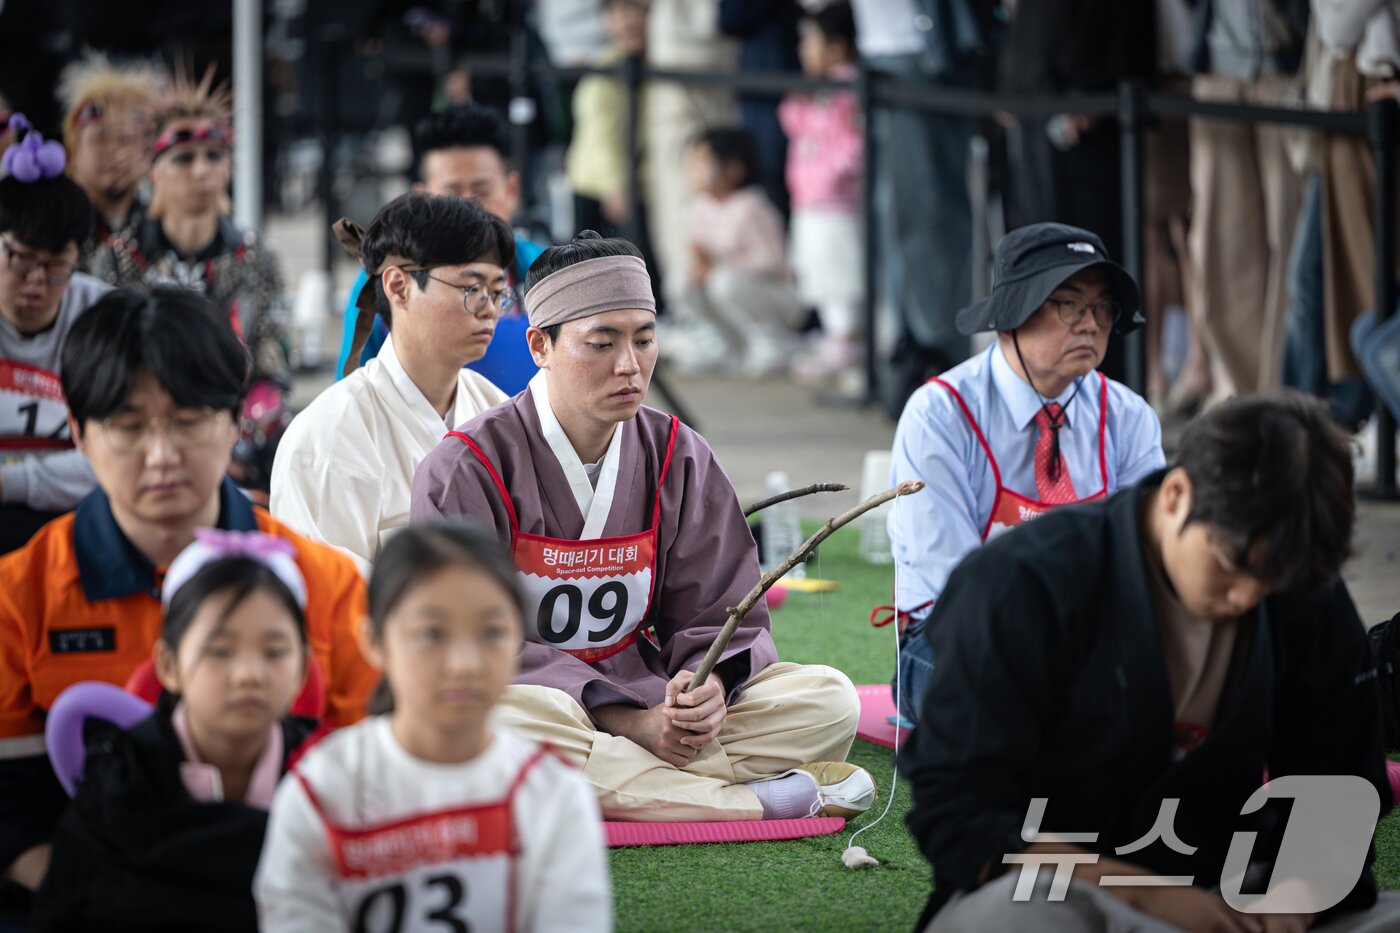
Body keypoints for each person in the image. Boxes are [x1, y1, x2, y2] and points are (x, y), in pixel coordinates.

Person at [900, 391, 1400, 932]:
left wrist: (1290, 903)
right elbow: (958, 814)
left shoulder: (1302, 586)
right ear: (1177, 495)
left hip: (1227, 897)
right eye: (1231, 566)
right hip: (1057, 895)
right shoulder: (1022, 580)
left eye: (1274, 581)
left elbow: (1339, 788)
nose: (1247, 597)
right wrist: (1145, 896)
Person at [412, 232, 871, 822]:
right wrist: (628, 722)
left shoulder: (677, 452)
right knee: (496, 721)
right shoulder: (466, 467)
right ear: (539, 345)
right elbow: (466, 640)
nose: (629, 365)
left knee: (829, 699)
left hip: (653, 697)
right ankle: (746, 802)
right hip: (541, 703)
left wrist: (704, 688)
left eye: (645, 339)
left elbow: (719, 609)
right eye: (602, 343)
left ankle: (618, 786)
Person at [0, 286, 377, 896]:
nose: (161, 457)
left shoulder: (328, 587)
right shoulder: (19, 597)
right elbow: (9, 804)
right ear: (78, 432)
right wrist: (91, 893)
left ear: (233, 423)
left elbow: (374, 779)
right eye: (128, 427)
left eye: (188, 421)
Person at [256, 523, 613, 932]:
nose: (463, 664)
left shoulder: (553, 792)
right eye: (431, 633)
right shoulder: (322, 789)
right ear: (373, 640)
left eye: (492, 632)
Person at [885, 223, 1164, 724]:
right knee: (1012, 700)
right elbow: (955, 584)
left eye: (1103, 307)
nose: (1091, 324)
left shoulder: (1129, 417)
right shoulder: (939, 415)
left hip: (1092, 636)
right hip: (957, 639)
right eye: (1070, 304)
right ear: (1013, 313)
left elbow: (1149, 558)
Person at [31, 531, 320, 933]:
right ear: (169, 665)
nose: (249, 675)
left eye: (274, 652)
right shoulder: (117, 783)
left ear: (303, 669)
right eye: (220, 651)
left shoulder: (329, 774)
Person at [271, 193, 514, 574]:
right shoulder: (326, 442)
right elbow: (331, 593)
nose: (490, 310)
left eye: (498, 293)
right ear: (398, 286)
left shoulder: (498, 411)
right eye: (472, 290)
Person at [85, 65, 292, 491]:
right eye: (183, 158)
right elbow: (105, 365)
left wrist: (235, 436)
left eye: (214, 155)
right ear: (152, 171)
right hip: (145, 434)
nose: (201, 171)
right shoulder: (116, 260)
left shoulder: (255, 258)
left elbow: (272, 360)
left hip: (241, 440)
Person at [337, 104, 549, 391]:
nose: (470, 208)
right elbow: (351, 387)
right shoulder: (379, 281)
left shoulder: (545, 270)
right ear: (421, 197)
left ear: (511, 190)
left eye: (482, 191)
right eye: (452, 195)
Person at [0, 115, 111, 553]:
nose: (37, 280)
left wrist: (11, 481)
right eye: (21, 259)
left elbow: (115, 457)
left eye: (56, 265)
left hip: (80, 519)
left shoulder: (103, 315)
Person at [778, 1, 865, 391]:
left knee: (840, 274)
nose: (803, 49)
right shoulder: (816, 87)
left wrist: (832, 177)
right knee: (818, 270)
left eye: (810, 41)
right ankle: (837, 339)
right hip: (809, 197)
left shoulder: (848, 88)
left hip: (837, 200)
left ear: (838, 46)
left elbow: (854, 145)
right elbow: (793, 123)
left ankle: (848, 342)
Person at [677, 128, 801, 375]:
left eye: (703, 162)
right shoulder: (700, 206)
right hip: (724, 285)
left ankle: (771, 340)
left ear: (733, 170)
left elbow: (772, 262)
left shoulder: (753, 206)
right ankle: (718, 340)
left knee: (725, 281)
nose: (694, 171)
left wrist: (717, 264)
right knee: (681, 280)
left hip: (773, 295)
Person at [58, 55, 158, 272]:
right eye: (101, 138)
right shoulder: (52, 225)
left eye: (126, 139)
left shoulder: (165, 228)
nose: (115, 151)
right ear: (71, 151)